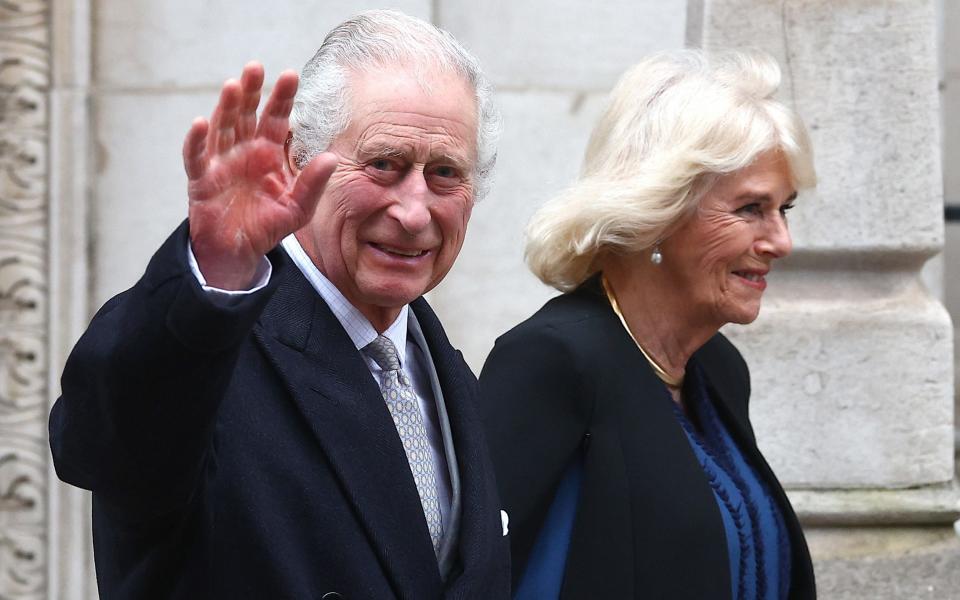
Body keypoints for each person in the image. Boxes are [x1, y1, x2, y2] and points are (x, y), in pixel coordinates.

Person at [49, 10, 509, 599]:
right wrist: (215, 270)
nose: (414, 211)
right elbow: (96, 446)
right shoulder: (211, 346)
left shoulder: (446, 375)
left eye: (444, 173)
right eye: (383, 164)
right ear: (297, 159)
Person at [479, 49, 817, 599]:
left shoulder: (718, 368)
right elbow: (479, 576)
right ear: (659, 212)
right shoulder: (553, 360)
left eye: (785, 209)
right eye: (751, 209)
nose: (781, 242)